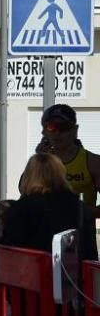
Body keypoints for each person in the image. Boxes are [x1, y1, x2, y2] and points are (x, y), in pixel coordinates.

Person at [38, 103, 100, 259]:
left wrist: (86, 212)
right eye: (52, 127)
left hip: (82, 243)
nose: (58, 133)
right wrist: (39, 159)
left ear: (75, 130)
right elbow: (24, 190)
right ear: (45, 132)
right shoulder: (40, 164)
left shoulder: (91, 162)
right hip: (46, 242)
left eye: (64, 127)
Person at [1, 153, 94, 257]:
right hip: (73, 271)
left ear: (29, 175)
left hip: (33, 270)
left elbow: (8, 251)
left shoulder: (22, 208)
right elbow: (90, 253)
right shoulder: (80, 207)